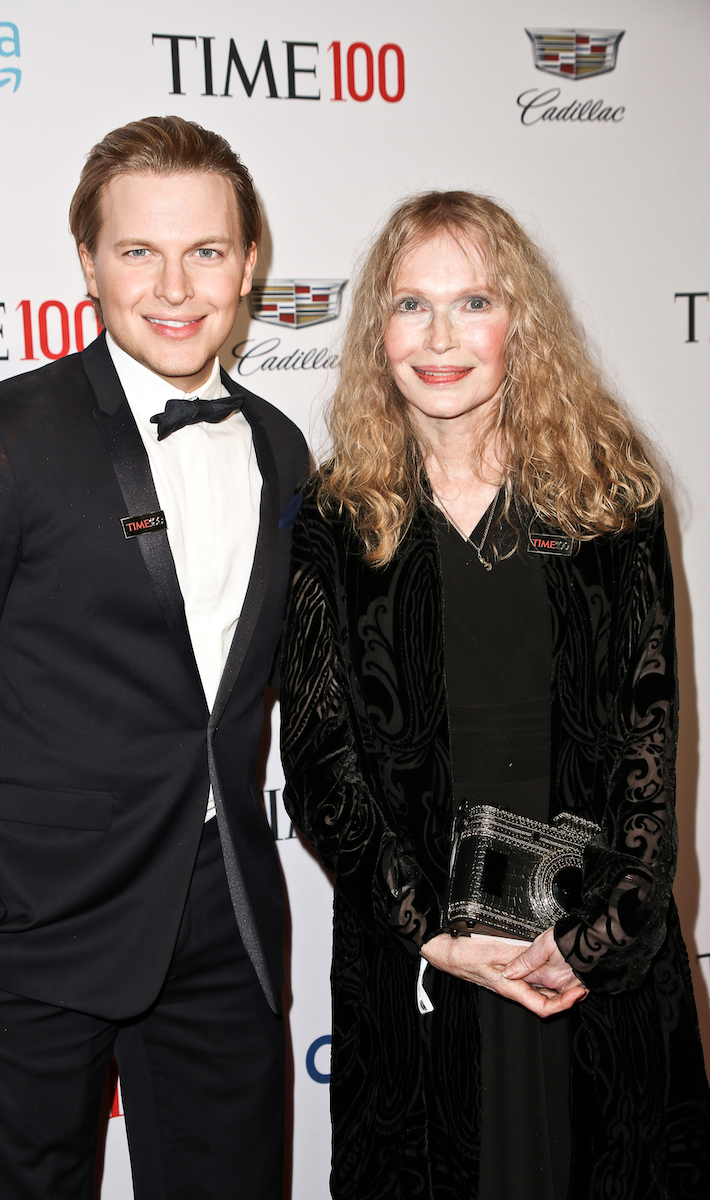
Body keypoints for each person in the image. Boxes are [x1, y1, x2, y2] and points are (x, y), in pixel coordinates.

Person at [280, 191, 710, 1200]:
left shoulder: (611, 495)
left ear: (520, 320)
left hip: (593, 955)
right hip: (422, 959)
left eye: (472, 302)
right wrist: (430, 929)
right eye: (410, 305)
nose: (439, 338)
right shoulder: (337, 519)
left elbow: (651, 744)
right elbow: (318, 757)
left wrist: (593, 939)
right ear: (375, 330)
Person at [0, 115, 307, 1200]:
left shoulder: (278, 444)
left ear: (250, 262)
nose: (174, 285)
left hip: (224, 916)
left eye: (206, 251)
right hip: (34, 924)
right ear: (86, 260)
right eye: (139, 251)